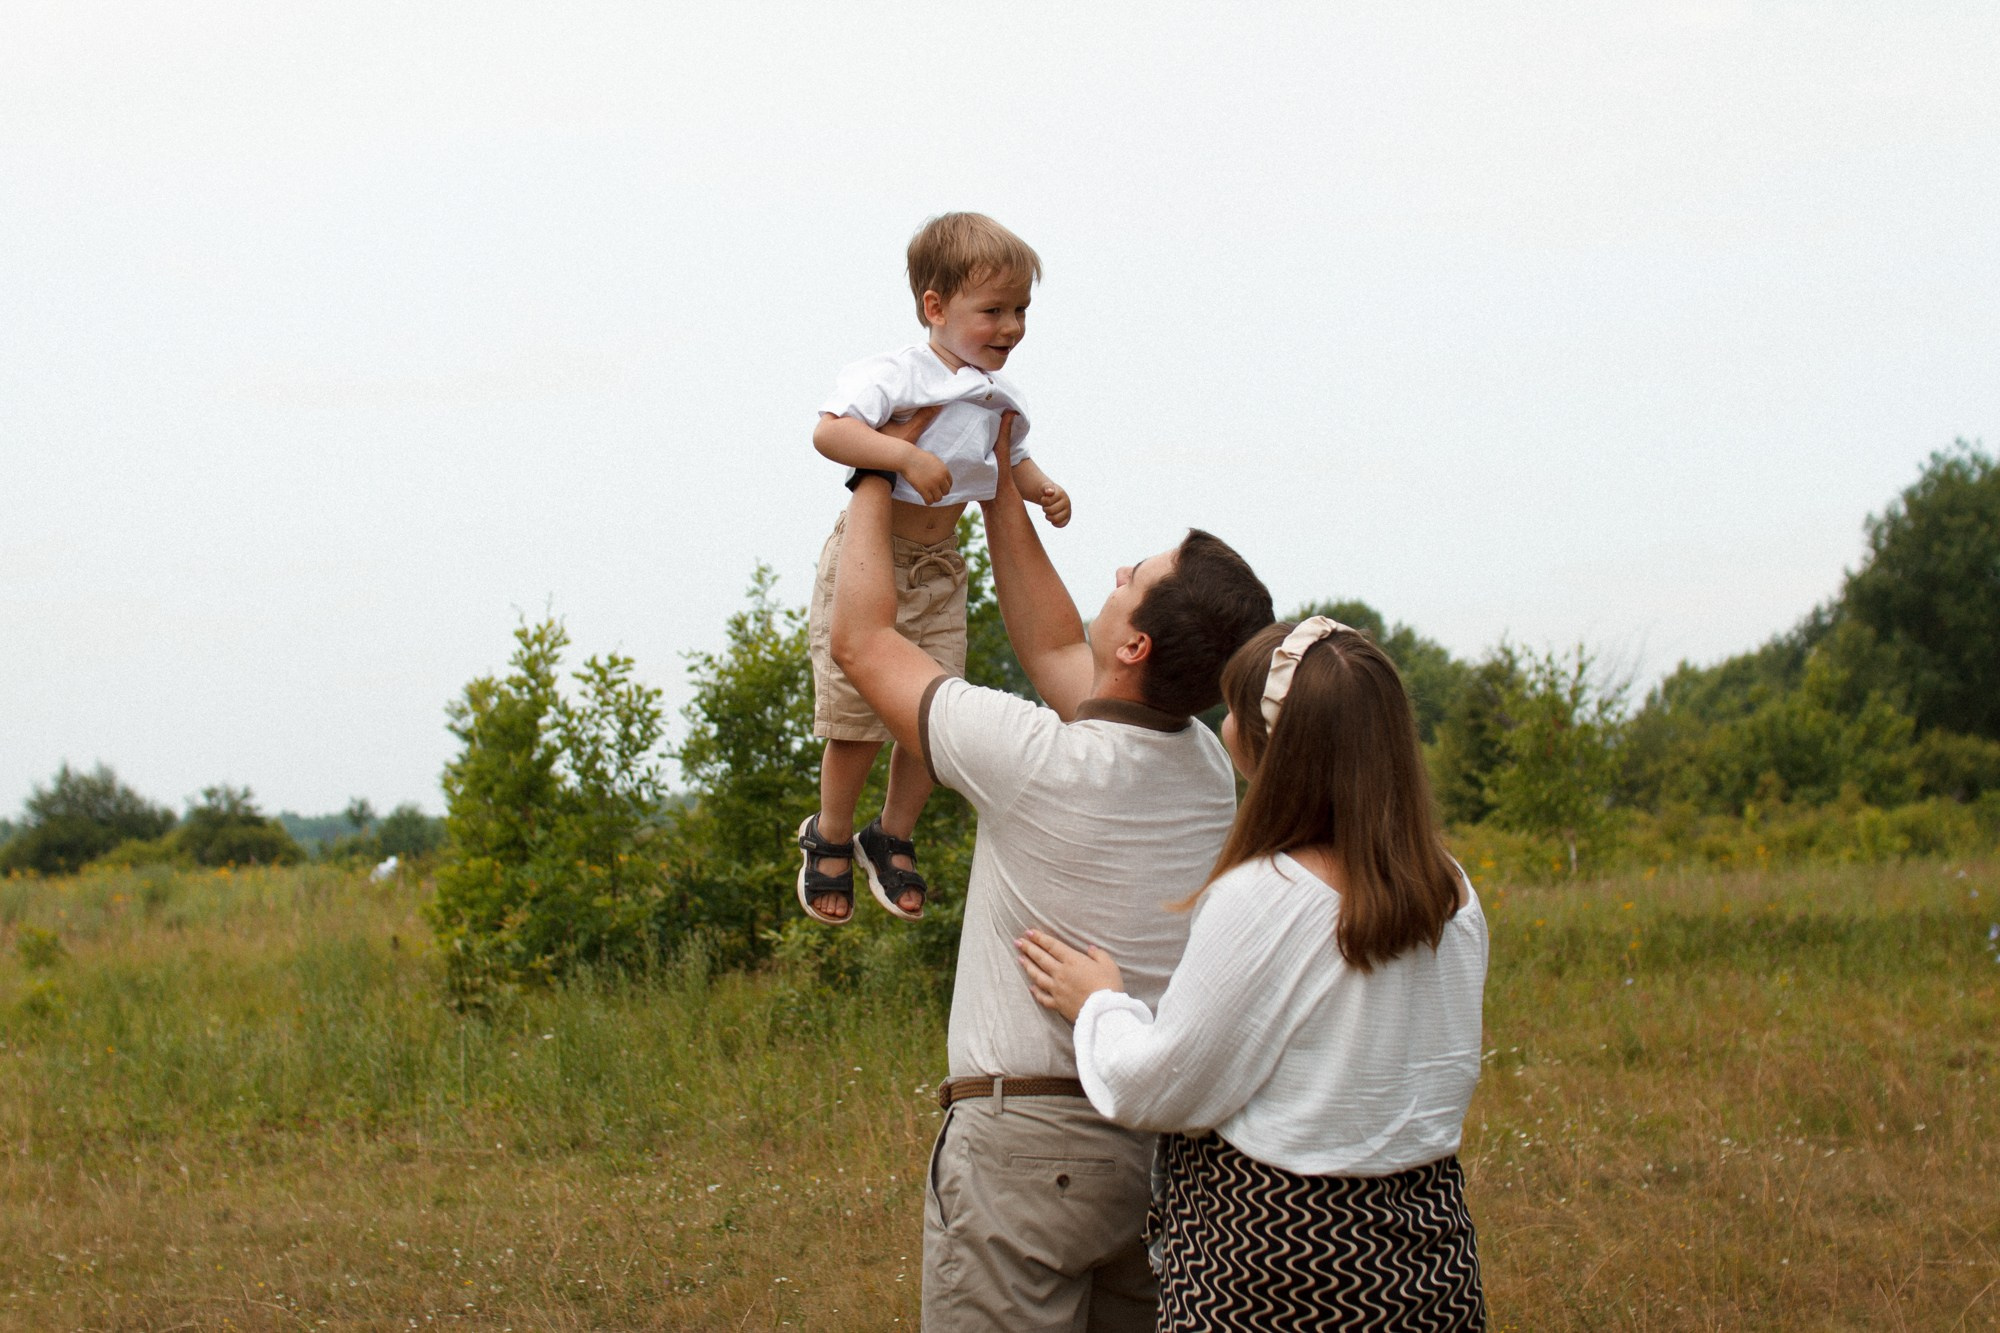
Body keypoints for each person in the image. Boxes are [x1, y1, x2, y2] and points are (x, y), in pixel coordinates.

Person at [828, 424, 1273, 1330]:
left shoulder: (1034, 760)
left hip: (1023, 1145)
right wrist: (995, 481)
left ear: (1139, 647)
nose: (1114, 575)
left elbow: (862, 642)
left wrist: (875, 470)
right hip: (1157, 1152)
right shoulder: (1199, 769)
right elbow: (1056, 648)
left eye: (1133, 577)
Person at [1017, 617, 1489, 1331]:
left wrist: (1102, 1006)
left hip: (1279, 1260)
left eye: (1235, 710)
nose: (1225, 724)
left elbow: (1165, 1086)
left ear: (1277, 747)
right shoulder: (1451, 891)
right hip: (1427, 1253)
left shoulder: (1269, 894)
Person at [799, 211, 1071, 927]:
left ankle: (891, 832)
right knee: (857, 717)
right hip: (873, 559)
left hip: (942, 567)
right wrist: (902, 457)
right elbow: (831, 430)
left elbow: (1011, 459)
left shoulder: (997, 396)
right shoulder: (897, 374)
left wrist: (1042, 488)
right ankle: (828, 829)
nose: (1011, 326)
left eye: (1021, 311)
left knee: (933, 715)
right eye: (994, 310)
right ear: (936, 307)